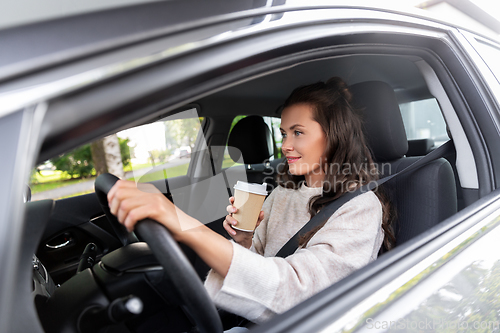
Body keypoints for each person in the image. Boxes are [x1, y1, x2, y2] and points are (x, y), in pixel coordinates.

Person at [107, 77, 395, 327]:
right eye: (283, 133)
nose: (285, 145)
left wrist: (185, 226)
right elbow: (259, 265)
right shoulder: (284, 192)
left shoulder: (360, 207)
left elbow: (300, 292)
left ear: (334, 136)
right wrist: (245, 239)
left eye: (298, 132)